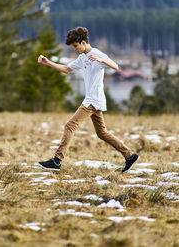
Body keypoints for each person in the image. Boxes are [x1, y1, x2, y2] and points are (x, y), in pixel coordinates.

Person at [37, 27, 138, 172]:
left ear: (83, 42)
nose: (75, 49)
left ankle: (57, 161)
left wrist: (101, 60)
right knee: (102, 133)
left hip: (92, 100)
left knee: (69, 126)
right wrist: (48, 63)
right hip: (94, 100)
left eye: (76, 46)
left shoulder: (97, 54)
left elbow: (116, 66)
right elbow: (66, 69)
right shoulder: (82, 57)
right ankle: (129, 156)